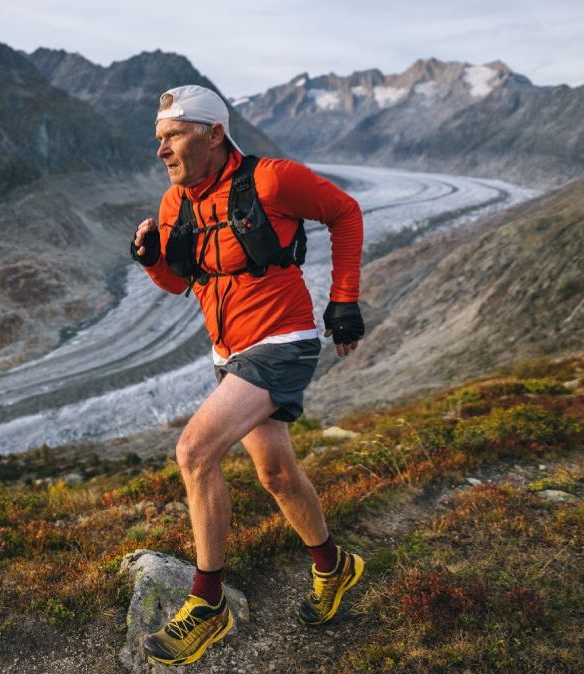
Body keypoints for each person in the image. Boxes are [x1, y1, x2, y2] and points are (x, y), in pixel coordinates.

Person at [129, 84, 366, 666]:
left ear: (213, 133)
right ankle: (335, 567)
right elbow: (183, 283)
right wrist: (152, 259)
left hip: (282, 340)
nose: (161, 150)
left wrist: (344, 301)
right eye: (158, 138)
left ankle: (207, 604)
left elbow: (346, 212)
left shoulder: (272, 180)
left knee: (194, 452)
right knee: (277, 474)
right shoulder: (173, 204)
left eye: (173, 135)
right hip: (228, 351)